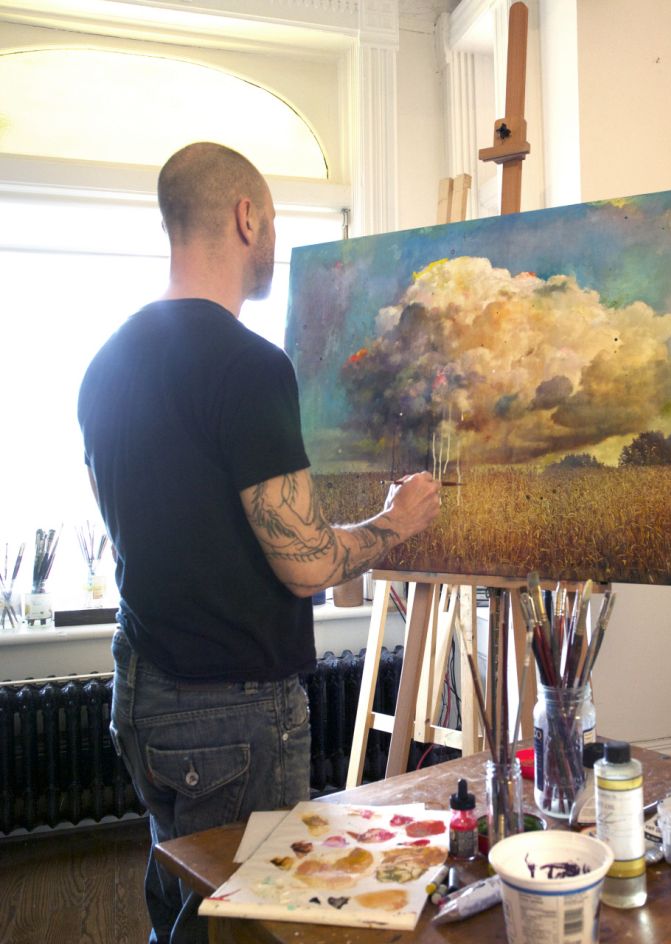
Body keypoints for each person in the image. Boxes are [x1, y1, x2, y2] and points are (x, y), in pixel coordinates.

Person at [77, 141, 442, 944]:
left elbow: (138, 520)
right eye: (271, 221)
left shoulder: (107, 362)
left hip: (141, 687)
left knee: (184, 899)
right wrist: (397, 520)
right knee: (249, 926)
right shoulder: (247, 366)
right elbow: (307, 562)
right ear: (247, 217)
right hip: (230, 710)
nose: (272, 238)